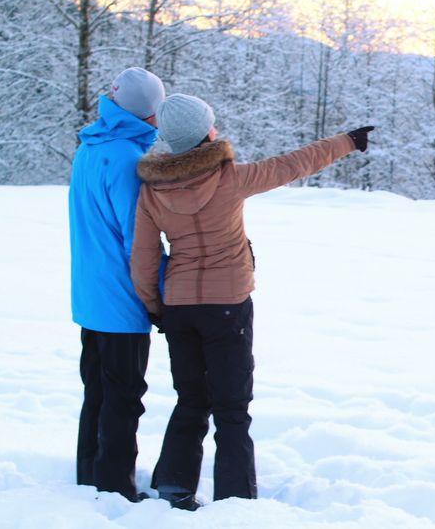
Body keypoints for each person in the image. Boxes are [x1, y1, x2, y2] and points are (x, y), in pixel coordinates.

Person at [130, 93, 373, 510]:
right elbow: (294, 163)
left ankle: (173, 485)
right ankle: (236, 501)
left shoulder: (152, 191)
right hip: (228, 306)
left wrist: (155, 306)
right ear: (205, 134)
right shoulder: (230, 178)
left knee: (190, 399)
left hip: (181, 307)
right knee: (232, 407)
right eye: (212, 124)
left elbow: (143, 258)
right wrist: (347, 141)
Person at [69, 67, 166, 502]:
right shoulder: (127, 160)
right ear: (148, 114)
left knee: (98, 391)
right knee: (124, 398)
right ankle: (114, 487)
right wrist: (161, 294)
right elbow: (138, 240)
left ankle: (89, 473)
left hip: (89, 296)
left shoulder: (90, 147)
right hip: (121, 301)